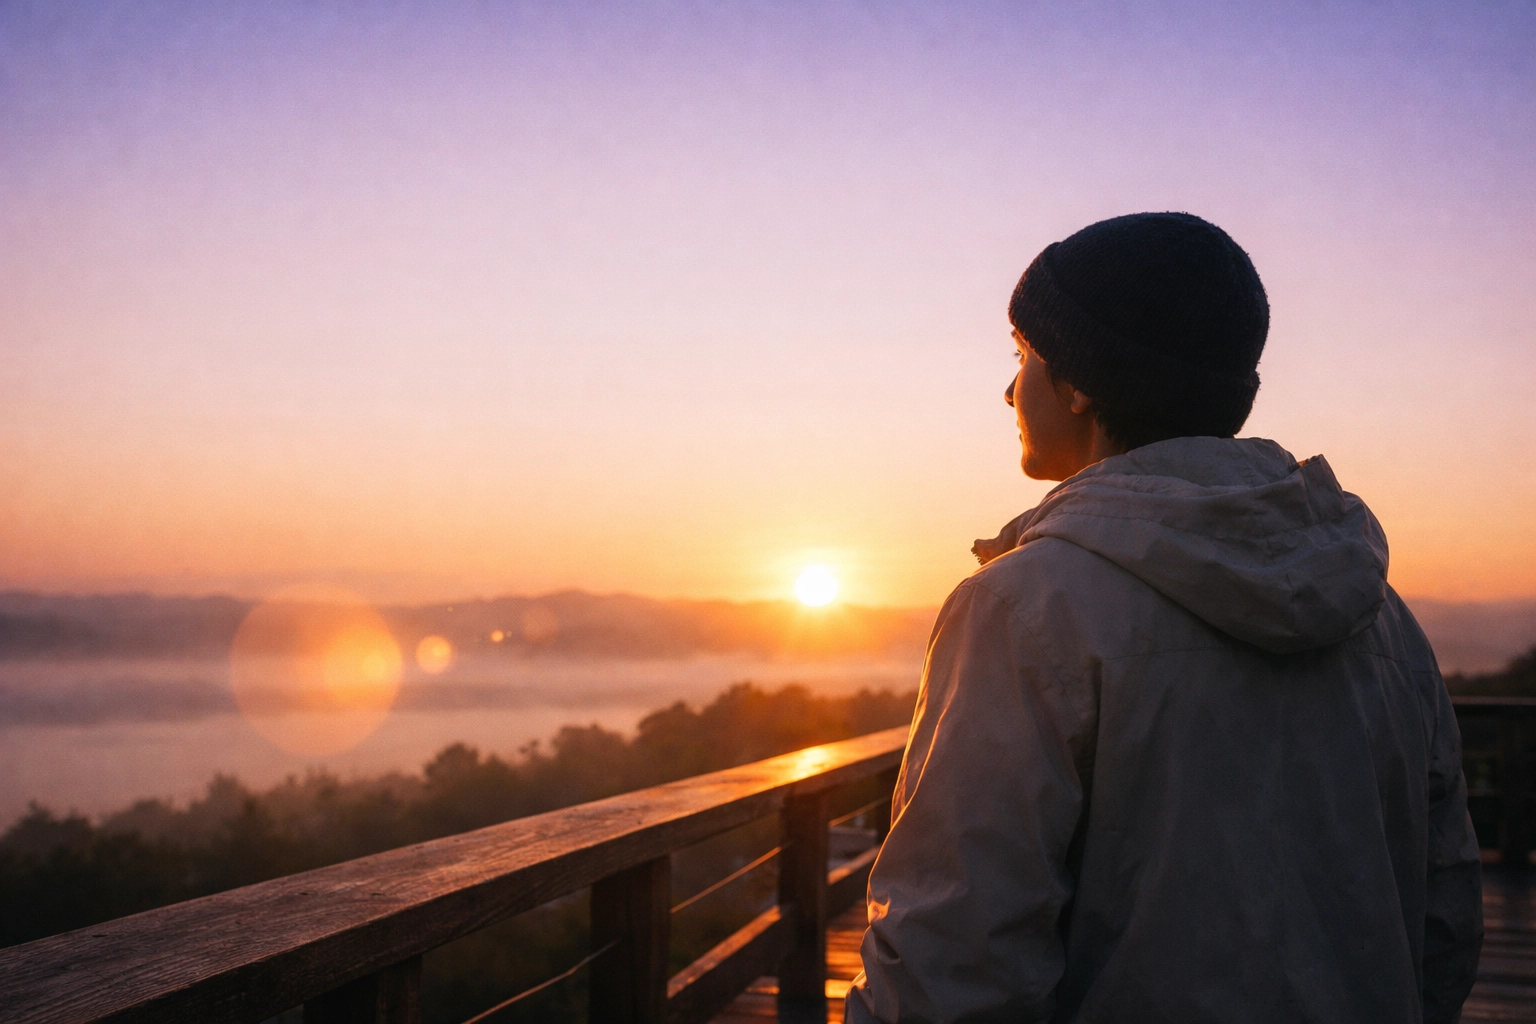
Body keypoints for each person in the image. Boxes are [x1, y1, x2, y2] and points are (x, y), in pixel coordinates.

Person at [845, 213, 1483, 1023]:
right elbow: (1444, 915)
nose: (1010, 388)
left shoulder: (1025, 608)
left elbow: (951, 963)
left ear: (1079, 381)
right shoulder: (1380, 617)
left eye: (1022, 355)